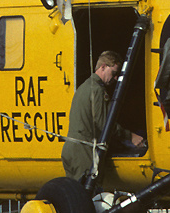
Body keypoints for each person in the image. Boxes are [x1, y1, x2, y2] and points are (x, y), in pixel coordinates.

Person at [61, 51, 146, 185]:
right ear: (103, 67)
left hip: (71, 150)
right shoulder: (97, 90)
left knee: (75, 197)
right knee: (88, 195)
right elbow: (104, 124)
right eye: (114, 73)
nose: (116, 78)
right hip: (83, 153)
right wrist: (130, 136)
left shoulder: (84, 87)